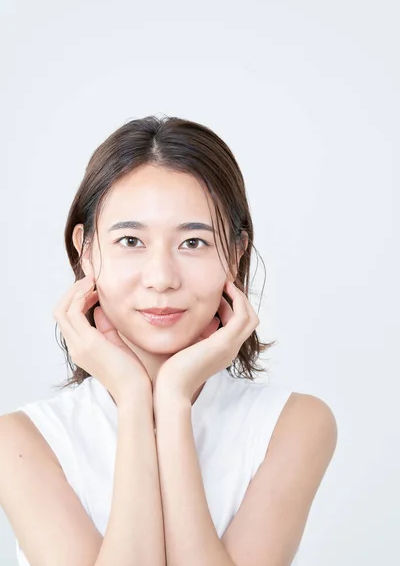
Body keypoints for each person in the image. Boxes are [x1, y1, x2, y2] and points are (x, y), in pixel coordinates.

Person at [0, 115, 337, 566]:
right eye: (131, 240)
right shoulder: (22, 442)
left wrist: (173, 400)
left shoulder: (293, 425)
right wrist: (136, 399)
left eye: (194, 242)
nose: (161, 278)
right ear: (86, 250)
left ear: (236, 254)